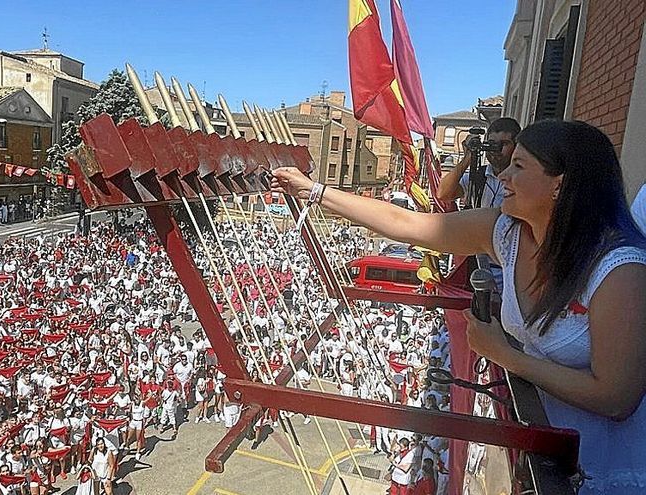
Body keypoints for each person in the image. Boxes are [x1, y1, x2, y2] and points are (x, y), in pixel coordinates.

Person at [272, 120, 646, 494]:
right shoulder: (507, 232)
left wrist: (504, 354)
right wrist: (314, 191)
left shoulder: (619, 270)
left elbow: (616, 398)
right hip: (546, 448)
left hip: (604, 467)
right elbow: (408, 223)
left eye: (519, 166)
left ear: (559, 183)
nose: (503, 177)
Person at [436, 117, 521, 208]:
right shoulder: (478, 176)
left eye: (503, 144)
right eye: (491, 143)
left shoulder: (523, 178)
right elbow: (443, 194)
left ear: (516, 146)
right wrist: (468, 158)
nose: (496, 149)